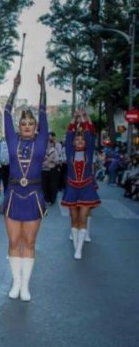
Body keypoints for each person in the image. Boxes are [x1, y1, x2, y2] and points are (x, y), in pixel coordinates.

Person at [2, 68, 49, 302]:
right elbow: (6, 112)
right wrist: (14, 88)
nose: (28, 126)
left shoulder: (41, 141)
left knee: (29, 242)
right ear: (19, 127)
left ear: (36, 126)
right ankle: (15, 282)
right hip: (13, 195)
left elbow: (44, 114)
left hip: (33, 195)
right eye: (24, 123)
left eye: (31, 123)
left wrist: (43, 89)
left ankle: (25, 285)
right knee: (13, 241)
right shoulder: (12, 140)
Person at [61, 110, 101, 260]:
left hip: (86, 188)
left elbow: (90, 135)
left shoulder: (89, 152)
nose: (79, 141)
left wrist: (84, 118)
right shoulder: (69, 152)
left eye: (82, 140)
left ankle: (79, 249)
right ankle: (75, 245)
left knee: (83, 218)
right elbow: (69, 135)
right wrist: (74, 118)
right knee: (74, 218)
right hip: (72, 188)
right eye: (77, 139)